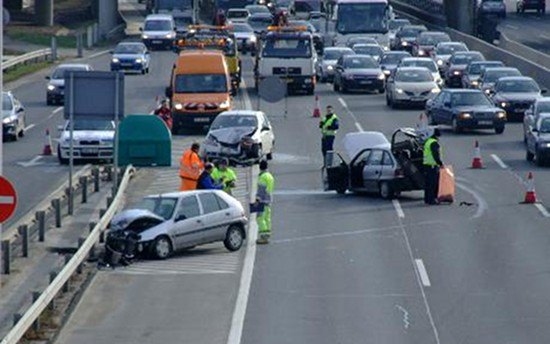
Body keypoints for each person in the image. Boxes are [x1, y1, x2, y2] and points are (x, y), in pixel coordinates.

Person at [256, 160, 275, 245]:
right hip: (269, 200)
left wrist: (257, 199)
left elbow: (261, 190)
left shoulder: (262, 177)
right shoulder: (270, 176)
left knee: (260, 218)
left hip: (262, 200)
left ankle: (263, 236)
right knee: (267, 218)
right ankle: (267, 233)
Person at [423, 128, 444, 205]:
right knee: (433, 184)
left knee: (428, 184)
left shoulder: (428, 141)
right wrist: (440, 163)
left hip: (427, 165)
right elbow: (436, 155)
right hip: (432, 166)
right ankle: (432, 200)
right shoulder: (434, 143)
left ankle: (427, 199)